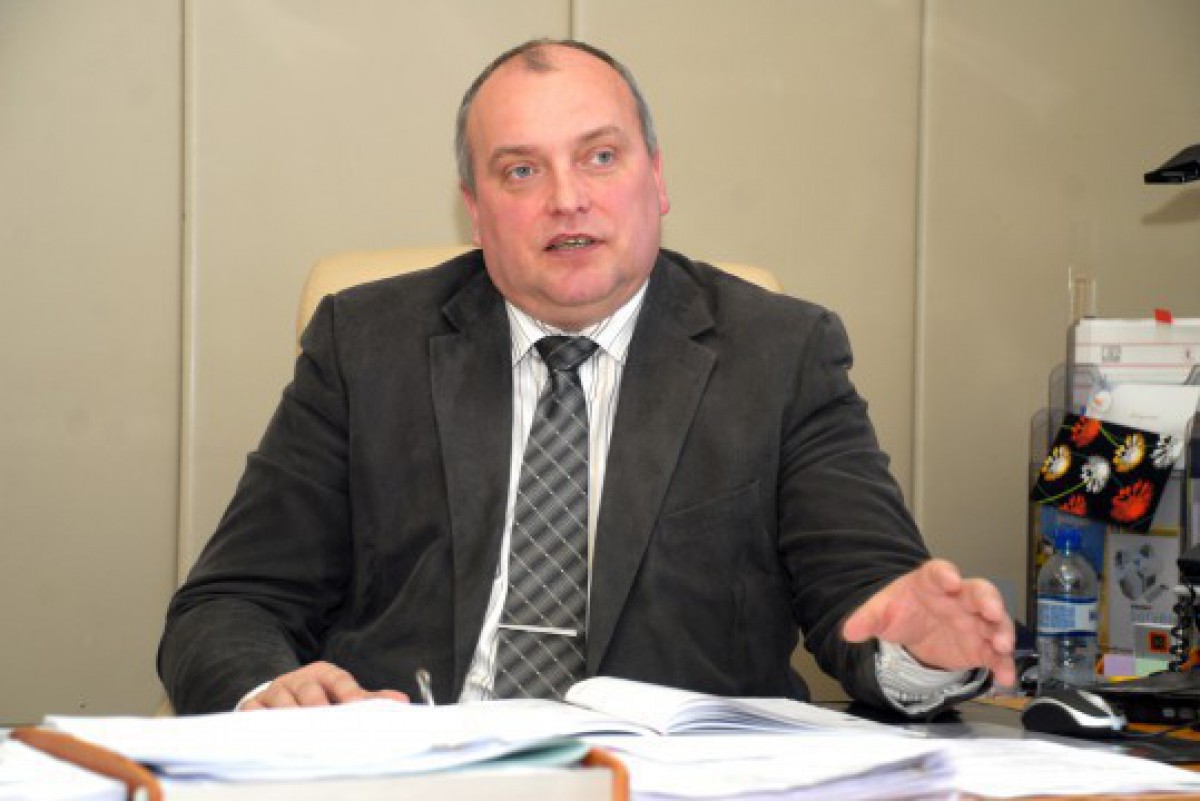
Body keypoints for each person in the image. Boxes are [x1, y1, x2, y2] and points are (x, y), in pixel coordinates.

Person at [158, 38, 1014, 716]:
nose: (566, 198)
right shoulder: (365, 344)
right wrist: (273, 691)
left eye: (600, 157)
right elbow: (228, 605)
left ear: (657, 177)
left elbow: (867, 601)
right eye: (521, 170)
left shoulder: (781, 354)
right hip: (416, 770)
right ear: (475, 208)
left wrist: (921, 650)